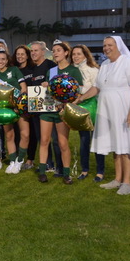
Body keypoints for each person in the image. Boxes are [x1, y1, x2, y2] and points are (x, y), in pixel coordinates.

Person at [76, 36, 130, 195]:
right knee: (117, 146)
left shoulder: (129, 62)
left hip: (125, 109)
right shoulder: (104, 64)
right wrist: (80, 99)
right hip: (109, 110)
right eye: (104, 45)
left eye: (110, 45)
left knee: (127, 145)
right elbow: (97, 88)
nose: (106, 48)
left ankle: (127, 183)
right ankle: (117, 180)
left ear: (118, 46)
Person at [36, 40, 83, 184]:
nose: (55, 53)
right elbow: (48, 91)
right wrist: (45, 85)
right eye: (54, 51)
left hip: (62, 111)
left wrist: (67, 106)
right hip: (48, 109)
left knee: (62, 143)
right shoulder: (51, 72)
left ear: (66, 53)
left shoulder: (74, 71)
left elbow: (78, 93)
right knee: (44, 141)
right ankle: (43, 172)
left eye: (58, 50)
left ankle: (66, 174)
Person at [0, 49, 28, 174]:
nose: (0, 61)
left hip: (19, 107)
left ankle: (19, 160)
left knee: (25, 134)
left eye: (3, 59)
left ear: (7, 60)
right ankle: (12, 162)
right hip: (5, 109)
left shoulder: (14, 70)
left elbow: (23, 87)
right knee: (9, 135)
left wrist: (19, 104)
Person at [71, 45, 106, 182]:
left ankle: (100, 171)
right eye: (74, 54)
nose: (76, 56)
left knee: (97, 140)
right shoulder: (72, 70)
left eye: (79, 54)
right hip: (79, 108)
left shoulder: (94, 70)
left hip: (95, 107)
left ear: (85, 55)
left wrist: (80, 97)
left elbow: (95, 88)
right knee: (84, 141)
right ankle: (85, 169)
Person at [28, 41, 60, 172]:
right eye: (32, 51)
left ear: (43, 52)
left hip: (50, 108)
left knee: (56, 139)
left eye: (36, 50)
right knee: (42, 138)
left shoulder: (50, 65)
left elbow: (57, 83)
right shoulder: (34, 68)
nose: (33, 53)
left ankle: (60, 166)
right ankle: (48, 164)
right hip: (37, 108)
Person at [12, 45, 36, 169]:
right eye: (18, 54)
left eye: (22, 54)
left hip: (32, 104)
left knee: (31, 133)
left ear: (27, 55)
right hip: (17, 106)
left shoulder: (33, 69)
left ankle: (30, 159)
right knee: (17, 133)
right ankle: (17, 158)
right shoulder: (13, 70)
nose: (20, 56)